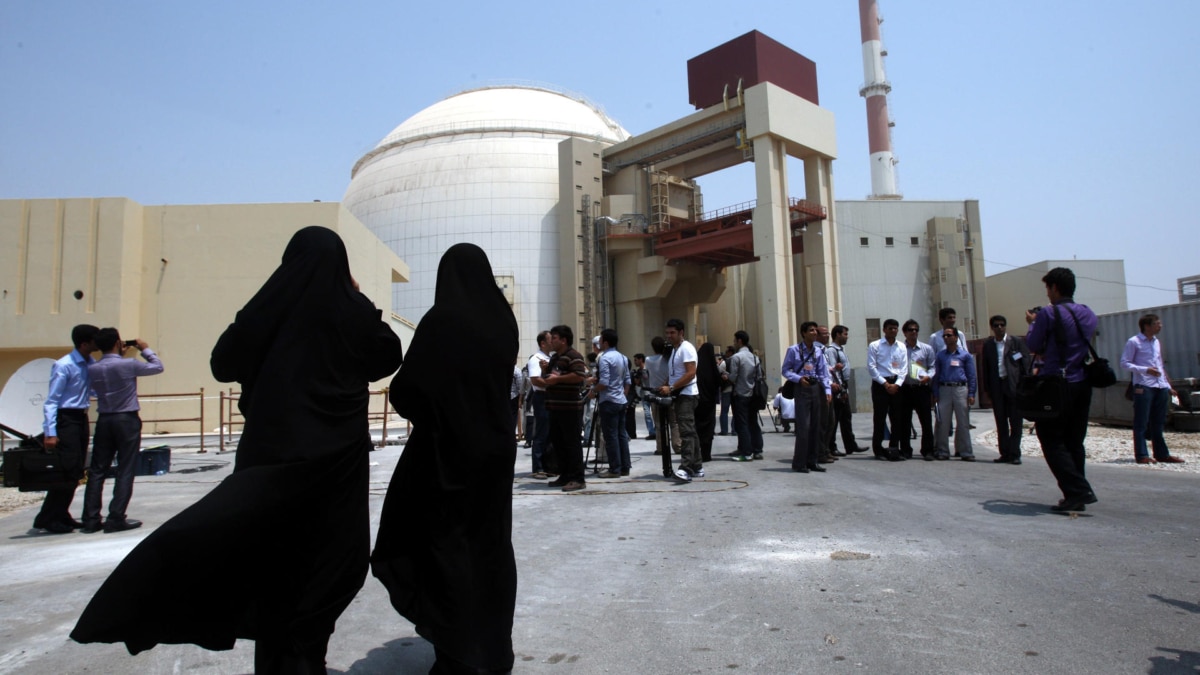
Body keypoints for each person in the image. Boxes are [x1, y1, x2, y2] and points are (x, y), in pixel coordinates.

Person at [72, 226, 404, 672]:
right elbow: (388, 356)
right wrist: (359, 300)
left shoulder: (268, 307)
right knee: (327, 564)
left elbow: (223, 362)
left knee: (270, 561)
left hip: (271, 455)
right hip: (336, 466)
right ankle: (305, 659)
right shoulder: (352, 311)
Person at [372, 243, 518, 674]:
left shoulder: (442, 321)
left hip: (446, 452)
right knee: (489, 546)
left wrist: (432, 414)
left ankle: (457, 655)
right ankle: (493, 650)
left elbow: (408, 389)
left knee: (445, 547)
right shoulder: (502, 320)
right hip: (494, 449)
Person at [1025, 267, 1100, 512]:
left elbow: (1034, 344)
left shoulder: (1049, 314)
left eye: (1048, 288)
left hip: (1057, 383)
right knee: (1074, 441)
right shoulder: (1088, 313)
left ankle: (1079, 490)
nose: (1047, 294)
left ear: (1055, 288)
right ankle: (1074, 494)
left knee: (1051, 439)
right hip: (1082, 382)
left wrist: (1033, 325)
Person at [79, 327, 164, 533]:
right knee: (125, 468)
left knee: (98, 469)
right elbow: (157, 367)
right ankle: (116, 517)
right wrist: (145, 349)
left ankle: (90, 519)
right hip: (126, 418)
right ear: (118, 343)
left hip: (105, 418)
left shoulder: (93, 368)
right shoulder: (129, 364)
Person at [33, 324, 98, 534]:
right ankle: (48, 517)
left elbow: (95, 389)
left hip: (81, 418)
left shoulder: (90, 363)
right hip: (66, 419)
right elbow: (52, 401)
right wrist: (50, 432)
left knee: (76, 469)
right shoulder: (64, 365)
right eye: (95, 340)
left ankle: (59, 513)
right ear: (84, 343)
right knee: (66, 468)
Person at [1121, 313, 1185, 465]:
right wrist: (1145, 370)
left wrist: (1168, 386)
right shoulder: (1134, 342)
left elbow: (1160, 365)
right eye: (1157, 323)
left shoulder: (1156, 342)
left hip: (1160, 386)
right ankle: (1142, 454)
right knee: (1141, 422)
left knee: (1159, 422)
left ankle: (1162, 454)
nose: (1160, 326)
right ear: (1147, 326)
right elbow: (1125, 363)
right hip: (1144, 386)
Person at [543, 325, 588, 492]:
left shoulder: (574, 356)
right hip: (555, 406)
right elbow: (550, 377)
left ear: (564, 340)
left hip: (569, 408)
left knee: (572, 443)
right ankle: (565, 475)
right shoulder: (555, 358)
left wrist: (558, 379)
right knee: (558, 443)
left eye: (554, 338)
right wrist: (545, 372)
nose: (551, 341)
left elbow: (579, 376)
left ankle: (578, 478)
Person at [981, 315, 1031, 465]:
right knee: (1001, 422)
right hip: (997, 387)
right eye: (996, 325)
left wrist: (1024, 385)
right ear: (992, 327)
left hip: (1014, 387)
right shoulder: (988, 345)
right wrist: (987, 390)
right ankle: (1005, 453)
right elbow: (985, 368)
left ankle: (1015, 454)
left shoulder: (1015, 342)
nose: (999, 328)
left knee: (1016, 422)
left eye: (1002, 325)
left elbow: (1025, 364)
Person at [783, 321, 831, 473]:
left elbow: (823, 373)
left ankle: (813, 461)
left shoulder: (818, 351)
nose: (814, 333)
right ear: (803, 333)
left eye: (816, 331)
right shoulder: (794, 350)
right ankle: (799, 463)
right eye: (811, 330)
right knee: (804, 427)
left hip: (815, 389)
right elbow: (785, 370)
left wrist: (828, 390)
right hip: (801, 388)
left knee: (816, 426)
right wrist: (798, 379)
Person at [659, 318, 702, 482]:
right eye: (667, 333)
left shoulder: (686, 348)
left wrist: (671, 388)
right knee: (690, 431)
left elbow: (691, 373)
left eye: (672, 333)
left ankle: (686, 468)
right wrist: (665, 385)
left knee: (686, 432)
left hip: (687, 395)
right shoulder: (675, 350)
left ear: (681, 333)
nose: (669, 336)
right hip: (679, 394)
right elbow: (675, 373)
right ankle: (697, 466)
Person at [932, 328, 977, 461]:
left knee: (963, 422)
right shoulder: (940, 356)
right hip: (944, 389)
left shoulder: (965, 356)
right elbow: (936, 375)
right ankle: (942, 450)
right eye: (945, 336)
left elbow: (971, 375)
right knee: (942, 421)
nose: (946, 338)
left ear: (956, 337)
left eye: (949, 335)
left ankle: (965, 451)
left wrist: (972, 393)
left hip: (960, 389)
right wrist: (935, 392)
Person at [593, 328, 632, 478]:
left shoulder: (604, 358)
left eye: (601, 340)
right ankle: (625, 466)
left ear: (606, 342)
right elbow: (627, 381)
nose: (599, 342)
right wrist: (623, 395)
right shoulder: (622, 357)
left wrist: (593, 391)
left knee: (610, 436)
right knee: (621, 434)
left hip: (608, 400)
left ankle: (614, 468)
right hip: (621, 400)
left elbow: (603, 382)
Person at [867, 319, 907, 461]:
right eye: (890, 328)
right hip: (880, 384)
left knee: (896, 418)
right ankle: (878, 450)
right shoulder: (875, 345)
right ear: (884, 330)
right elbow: (872, 367)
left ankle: (894, 449)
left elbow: (904, 369)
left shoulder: (901, 347)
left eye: (895, 328)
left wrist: (897, 384)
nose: (893, 331)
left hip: (896, 384)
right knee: (880, 417)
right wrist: (885, 384)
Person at [898, 320, 937, 460]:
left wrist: (929, 377)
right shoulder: (900, 348)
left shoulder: (926, 349)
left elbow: (933, 367)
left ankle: (927, 450)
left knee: (926, 421)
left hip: (921, 389)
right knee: (904, 421)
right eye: (910, 329)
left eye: (916, 329)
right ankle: (905, 450)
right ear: (905, 332)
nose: (913, 332)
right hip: (905, 389)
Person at [827, 325, 865, 454]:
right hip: (838, 387)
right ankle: (831, 446)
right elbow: (833, 370)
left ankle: (850, 444)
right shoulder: (832, 350)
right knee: (835, 419)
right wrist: (840, 389)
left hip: (844, 386)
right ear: (837, 335)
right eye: (845, 334)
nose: (847, 337)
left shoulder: (841, 350)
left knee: (846, 418)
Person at [727, 331, 764, 460]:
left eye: (734, 340)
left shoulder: (736, 358)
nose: (734, 343)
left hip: (740, 394)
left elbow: (733, 377)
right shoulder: (755, 357)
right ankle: (757, 449)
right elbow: (759, 376)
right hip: (753, 394)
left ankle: (746, 451)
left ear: (739, 341)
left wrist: (725, 375)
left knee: (742, 424)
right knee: (753, 422)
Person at [526, 331, 554, 478]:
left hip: (549, 397)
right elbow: (536, 380)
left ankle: (547, 464)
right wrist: (552, 385)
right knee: (542, 432)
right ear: (542, 343)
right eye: (550, 340)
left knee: (550, 432)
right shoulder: (536, 359)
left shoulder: (550, 358)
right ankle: (538, 467)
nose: (552, 342)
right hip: (542, 396)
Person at [815, 325, 839, 464]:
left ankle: (825, 450)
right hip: (821, 390)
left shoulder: (824, 350)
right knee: (823, 423)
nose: (827, 336)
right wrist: (829, 385)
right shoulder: (816, 350)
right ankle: (820, 452)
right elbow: (818, 372)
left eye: (827, 334)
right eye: (824, 334)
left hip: (828, 390)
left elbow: (825, 369)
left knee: (830, 422)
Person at [695, 342, 721, 463]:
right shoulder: (712, 367)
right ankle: (706, 454)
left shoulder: (696, 366)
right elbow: (718, 382)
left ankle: (697, 453)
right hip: (709, 403)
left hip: (697, 402)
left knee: (697, 427)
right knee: (708, 428)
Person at [633, 353, 656, 441]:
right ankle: (651, 432)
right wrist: (637, 376)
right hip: (644, 394)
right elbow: (638, 383)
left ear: (641, 360)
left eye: (636, 360)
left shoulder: (649, 369)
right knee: (647, 414)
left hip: (652, 392)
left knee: (654, 414)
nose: (635, 362)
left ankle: (656, 431)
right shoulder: (639, 371)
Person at [718, 347, 735, 435]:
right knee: (735, 411)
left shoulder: (725, 362)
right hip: (736, 390)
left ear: (730, 352)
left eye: (727, 352)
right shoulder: (738, 361)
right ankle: (734, 430)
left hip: (726, 390)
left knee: (724, 411)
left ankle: (724, 430)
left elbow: (718, 372)